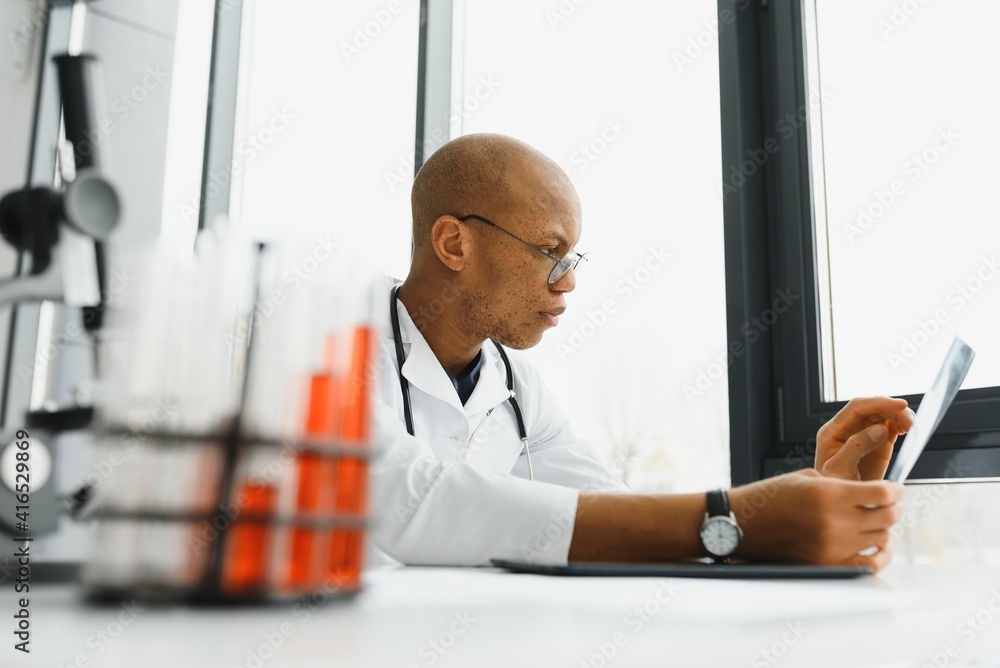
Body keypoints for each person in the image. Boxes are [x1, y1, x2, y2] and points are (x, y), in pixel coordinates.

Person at [368, 133, 914, 571]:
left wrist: (805, 509)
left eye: (571, 259)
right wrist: (736, 520)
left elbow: (618, 515)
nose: (566, 283)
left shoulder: (515, 385)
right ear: (454, 243)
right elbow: (412, 502)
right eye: (548, 251)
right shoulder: (336, 340)